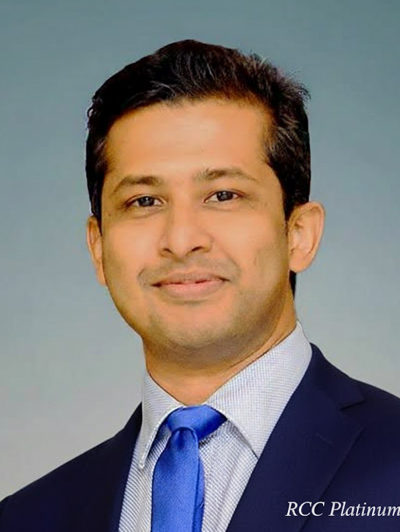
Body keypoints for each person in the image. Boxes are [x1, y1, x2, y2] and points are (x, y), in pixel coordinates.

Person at [1, 39, 399, 532]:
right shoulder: (26, 517)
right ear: (98, 248)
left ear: (299, 234)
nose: (182, 239)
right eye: (144, 201)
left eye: (223, 194)